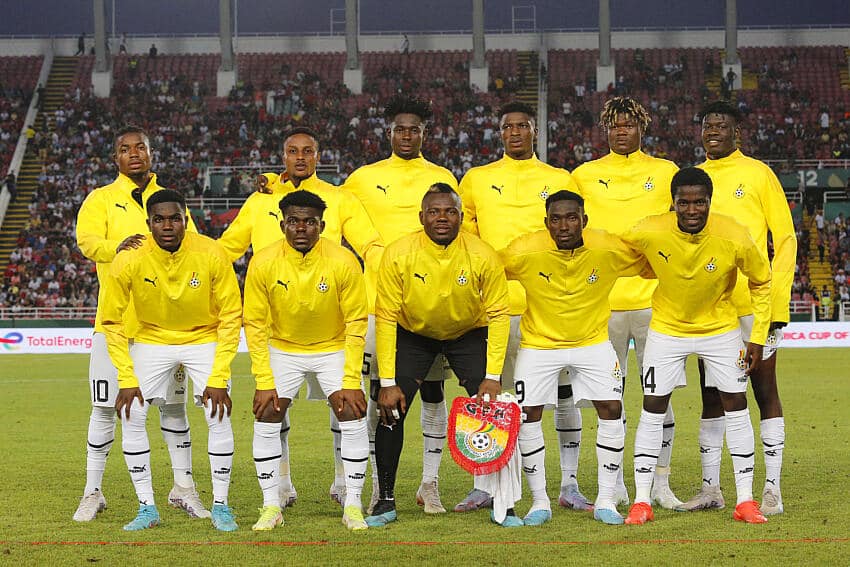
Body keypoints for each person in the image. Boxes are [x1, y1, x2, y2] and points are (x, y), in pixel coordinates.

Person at [221, 126, 382, 509]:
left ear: (317, 156)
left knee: (344, 407)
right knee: (275, 409)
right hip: (279, 326)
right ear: (283, 156)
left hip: (331, 323)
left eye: (307, 151)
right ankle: (282, 483)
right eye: (293, 151)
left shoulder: (339, 199)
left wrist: (389, 279)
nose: (300, 157)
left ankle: (343, 481)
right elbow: (227, 247)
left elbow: (371, 246)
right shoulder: (261, 200)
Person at [621, 167, 771, 525]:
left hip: (720, 329)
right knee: (653, 407)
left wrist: (757, 335)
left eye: (699, 202)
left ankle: (745, 500)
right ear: (672, 203)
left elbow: (762, 281)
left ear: (710, 202)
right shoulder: (649, 229)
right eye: (684, 203)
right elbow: (620, 254)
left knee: (736, 405)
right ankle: (641, 501)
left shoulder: (733, 234)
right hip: (667, 329)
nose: (692, 210)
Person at [457, 101, 586, 512]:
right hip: (492, 307)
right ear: (499, 133)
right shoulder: (476, 179)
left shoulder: (559, 178)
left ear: (535, 130)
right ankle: (485, 483)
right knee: (492, 396)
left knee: (563, 396)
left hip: (549, 306)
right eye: (507, 126)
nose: (515, 133)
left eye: (522, 126)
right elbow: (465, 239)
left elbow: (575, 237)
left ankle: (569, 484)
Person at [74, 126, 206, 522]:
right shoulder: (101, 199)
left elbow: (194, 247)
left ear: (151, 153)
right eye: (124, 149)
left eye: (140, 148)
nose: (133, 154)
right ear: (115, 157)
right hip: (113, 323)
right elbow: (86, 241)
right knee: (103, 408)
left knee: (173, 409)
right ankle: (92, 492)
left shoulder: (170, 200)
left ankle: (183, 489)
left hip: (164, 327)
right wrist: (116, 247)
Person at [499, 190, 651, 526]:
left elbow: (651, 262)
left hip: (592, 342)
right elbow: (490, 268)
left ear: (584, 220)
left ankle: (606, 499)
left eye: (571, 218)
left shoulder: (607, 248)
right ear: (546, 223)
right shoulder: (525, 250)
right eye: (556, 219)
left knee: (611, 408)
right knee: (528, 415)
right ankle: (540, 501)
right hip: (539, 344)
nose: (564, 225)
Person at [366, 183, 510, 527]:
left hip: (467, 333)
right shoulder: (398, 253)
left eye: (450, 212)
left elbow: (499, 315)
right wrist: (387, 382)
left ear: (461, 217)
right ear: (422, 217)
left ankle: (503, 500)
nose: (442, 218)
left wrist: (492, 377)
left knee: (496, 408)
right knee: (390, 409)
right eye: (434, 212)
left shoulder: (482, 254)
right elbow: (385, 317)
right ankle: (385, 499)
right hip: (413, 334)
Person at [679, 101, 796, 516]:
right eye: (707, 125)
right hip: (712, 309)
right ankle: (711, 488)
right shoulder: (694, 179)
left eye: (721, 125)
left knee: (764, 391)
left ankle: (772, 490)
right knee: (712, 395)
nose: (713, 131)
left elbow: (785, 238)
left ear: (737, 133)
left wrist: (777, 301)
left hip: (755, 305)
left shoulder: (758, 174)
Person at [343, 96, 458, 514]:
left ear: (425, 134)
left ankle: (430, 483)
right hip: (379, 305)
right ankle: (381, 486)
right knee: (381, 395)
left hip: (430, 304)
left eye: (414, 129)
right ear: (388, 132)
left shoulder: (442, 176)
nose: (407, 136)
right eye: (400, 129)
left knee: (434, 391)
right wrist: (278, 182)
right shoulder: (362, 178)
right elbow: (331, 210)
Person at [102, 190, 242, 531]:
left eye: (175, 218)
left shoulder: (211, 252)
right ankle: (146, 507)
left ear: (185, 219)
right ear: (148, 223)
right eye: (159, 219)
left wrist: (218, 376)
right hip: (152, 339)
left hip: (203, 337)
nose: (168, 226)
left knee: (217, 410)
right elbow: (111, 320)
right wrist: (126, 378)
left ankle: (221, 506)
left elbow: (230, 315)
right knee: (131, 411)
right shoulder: (129, 258)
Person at [570, 97, 681, 509]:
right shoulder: (584, 175)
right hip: (602, 303)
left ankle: (660, 483)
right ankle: (613, 484)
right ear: (605, 129)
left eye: (629, 124)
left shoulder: (665, 172)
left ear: (642, 128)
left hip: (657, 302)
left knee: (660, 396)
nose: (621, 131)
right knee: (606, 399)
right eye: (614, 125)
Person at [243, 190, 370, 532]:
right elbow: (254, 323)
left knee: (352, 411)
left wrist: (351, 380)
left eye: (310, 222)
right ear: (282, 224)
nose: (301, 228)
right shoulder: (263, 261)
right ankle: (271, 505)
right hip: (283, 348)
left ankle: (353, 504)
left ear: (322, 226)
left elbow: (357, 322)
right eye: (294, 221)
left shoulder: (343, 261)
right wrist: (263, 380)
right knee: (267, 412)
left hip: (333, 347)